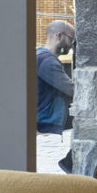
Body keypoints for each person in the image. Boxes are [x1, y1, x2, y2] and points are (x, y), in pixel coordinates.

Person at [37, 20, 75, 173]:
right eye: (71, 40)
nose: (72, 45)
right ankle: (69, 161)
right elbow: (72, 90)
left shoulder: (40, 56)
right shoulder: (47, 62)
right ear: (59, 36)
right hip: (47, 120)